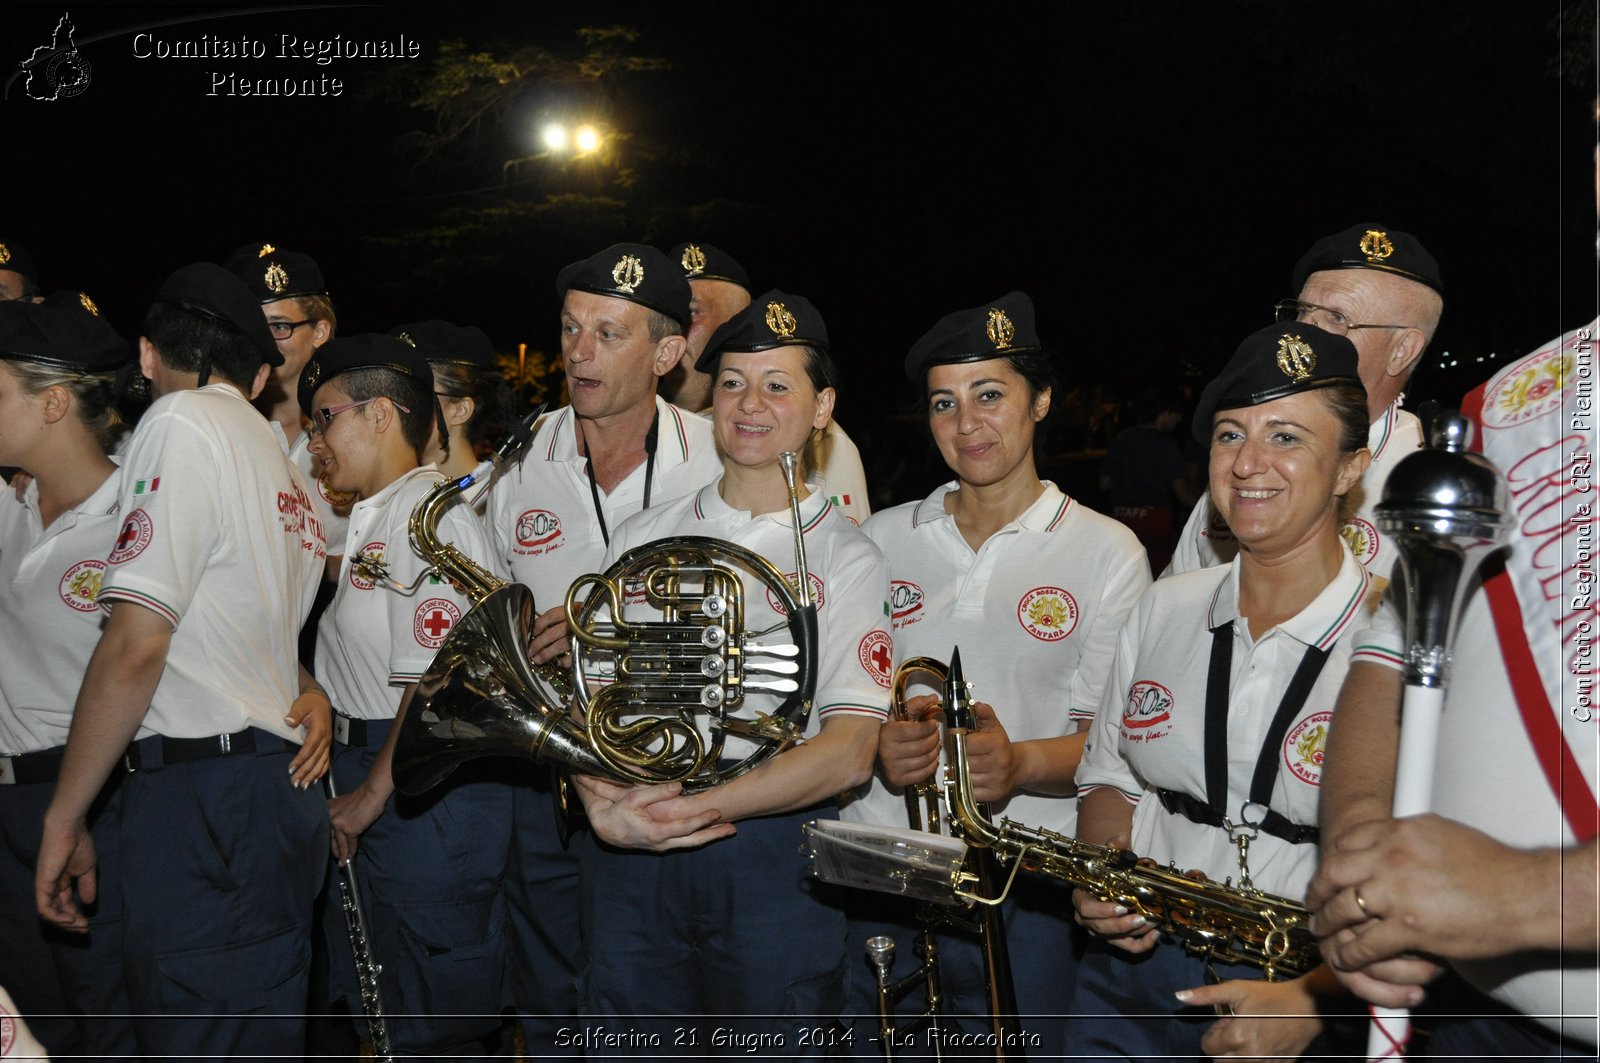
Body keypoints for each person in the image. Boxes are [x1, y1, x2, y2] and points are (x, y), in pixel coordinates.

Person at [570, 290, 891, 1051]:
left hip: (770, 858)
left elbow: (849, 748)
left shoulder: (848, 554)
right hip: (631, 846)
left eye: (779, 385)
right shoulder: (647, 533)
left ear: (823, 408)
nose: (751, 404)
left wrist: (700, 806)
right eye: (734, 383)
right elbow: (583, 703)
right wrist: (597, 800)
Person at [34, 262, 331, 1060]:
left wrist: (64, 815)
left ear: (145, 354)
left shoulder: (181, 421)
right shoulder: (282, 467)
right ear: (262, 371)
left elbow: (137, 640)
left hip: (205, 803)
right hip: (271, 793)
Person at [840, 291, 1150, 1053]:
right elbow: (839, 703)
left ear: (1041, 401)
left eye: (990, 394)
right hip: (891, 868)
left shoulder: (1108, 551)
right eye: (944, 402)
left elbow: (1117, 745)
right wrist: (878, 738)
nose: (966, 422)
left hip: (1029, 881)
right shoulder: (878, 538)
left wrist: (1016, 765)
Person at [1070, 323, 1377, 1060]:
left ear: (1349, 468)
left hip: (1303, 983)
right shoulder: (1167, 604)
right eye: (1230, 434)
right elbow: (1109, 774)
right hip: (1128, 975)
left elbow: (1423, 862)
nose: (1248, 464)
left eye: (1288, 438)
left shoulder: (1394, 638)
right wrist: (1099, 871)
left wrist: (1314, 998)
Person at [1308, 323, 1598, 1054]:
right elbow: (1390, 656)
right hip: (1476, 1016)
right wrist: (1367, 865)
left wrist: (1525, 894)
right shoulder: (1528, 400)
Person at [483, 242, 720, 1051]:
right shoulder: (515, 464)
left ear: (668, 352)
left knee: (663, 1008)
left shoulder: (725, 455)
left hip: (679, 788)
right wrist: (513, 639)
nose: (578, 351)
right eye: (570, 327)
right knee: (550, 1002)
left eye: (608, 334)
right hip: (547, 792)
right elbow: (482, 618)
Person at [303, 334, 511, 1059]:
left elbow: (438, 685)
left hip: (424, 799)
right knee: (386, 1017)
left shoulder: (431, 520)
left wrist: (366, 797)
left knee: (430, 1026)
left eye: (324, 418)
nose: (315, 443)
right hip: (387, 784)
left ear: (382, 414)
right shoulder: (378, 514)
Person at [0, 293, 134, 1058]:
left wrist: (304, 682)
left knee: (106, 1024)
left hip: (98, 804)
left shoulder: (134, 517)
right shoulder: (7, 502)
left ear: (53, 402)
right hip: (7, 807)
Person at [1168, 224, 1443, 581]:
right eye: (1301, 312)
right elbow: (1173, 608)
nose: (1301, 334)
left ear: (1402, 351)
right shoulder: (1246, 464)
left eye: (1337, 318)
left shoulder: (1432, 484)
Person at [668, 240, 873, 524]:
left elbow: (835, 543)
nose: (672, 328)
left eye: (689, 313)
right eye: (666, 314)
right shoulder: (656, 434)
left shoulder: (817, 441)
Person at [224, 241, 348, 567]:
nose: (265, 342)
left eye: (279, 326)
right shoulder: (223, 424)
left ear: (321, 330)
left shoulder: (358, 425)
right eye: (254, 328)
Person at [390, 318, 512, 491]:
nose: (394, 408)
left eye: (414, 394)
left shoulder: (499, 504)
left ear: (460, 410)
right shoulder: (394, 500)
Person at [1102, 387, 1198, 574]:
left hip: (1121, 520)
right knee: (1158, 577)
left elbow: (1104, 483)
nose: (1179, 421)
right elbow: (1183, 493)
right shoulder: (1165, 444)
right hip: (1156, 522)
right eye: (1177, 415)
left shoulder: (1122, 438)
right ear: (1165, 413)